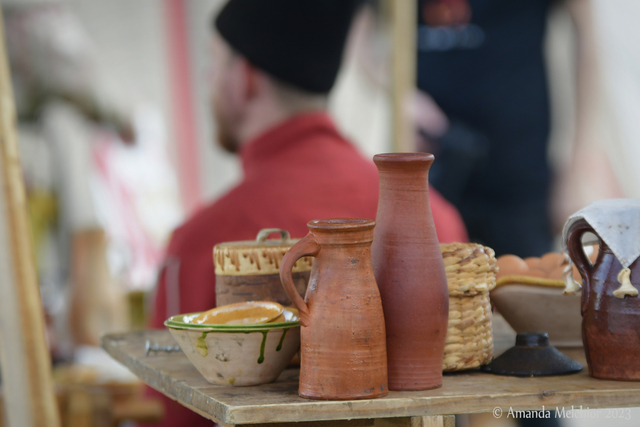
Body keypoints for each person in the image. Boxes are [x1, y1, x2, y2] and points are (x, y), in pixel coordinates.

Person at [148, 1, 467, 425]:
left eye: (213, 64)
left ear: (243, 80)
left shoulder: (201, 244)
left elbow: (166, 412)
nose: (208, 80)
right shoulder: (439, 222)